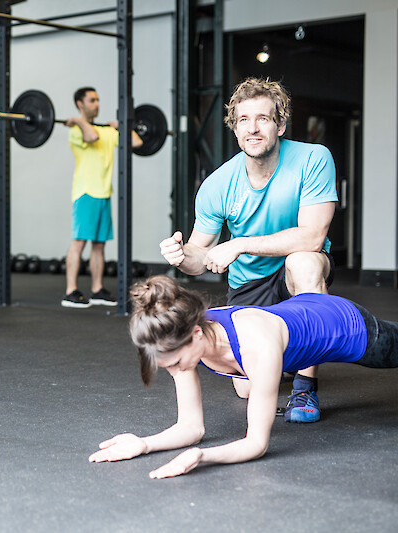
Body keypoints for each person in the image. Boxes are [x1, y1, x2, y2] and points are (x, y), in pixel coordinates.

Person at [89, 275, 398, 478]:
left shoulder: (256, 347)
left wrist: (202, 457)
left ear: (196, 335)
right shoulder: (181, 335)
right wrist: (143, 444)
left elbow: (256, 443)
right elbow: (191, 427)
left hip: (346, 326)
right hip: (299, 310)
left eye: (176, 363)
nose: (175, 371)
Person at [159, 78, 337, 422]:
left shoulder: (314, 159)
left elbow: (313, 236)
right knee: (246, 388)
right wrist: (182, 256)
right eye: (243, 120)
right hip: (249, 284)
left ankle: (304, 388)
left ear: (280, 124)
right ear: (235, 128)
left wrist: (239, 244)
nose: (253, 128)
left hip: (294, 269)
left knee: (305, 263)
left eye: (263, 119)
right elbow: (202, 255)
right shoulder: (217, 185)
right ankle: (287, 347)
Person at [61, 87, 142, 309]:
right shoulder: (78, 130)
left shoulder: (106, 130)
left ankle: (97, 289)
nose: (97, 104)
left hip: (104, 192)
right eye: (92, 100)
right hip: (85, 192)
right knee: (79, 243)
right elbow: (91, 136)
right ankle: (70, 291)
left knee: (99, 245)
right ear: (80, 103)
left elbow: (136, 142)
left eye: (98, 100)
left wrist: (123, 127)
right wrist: (78, 121)